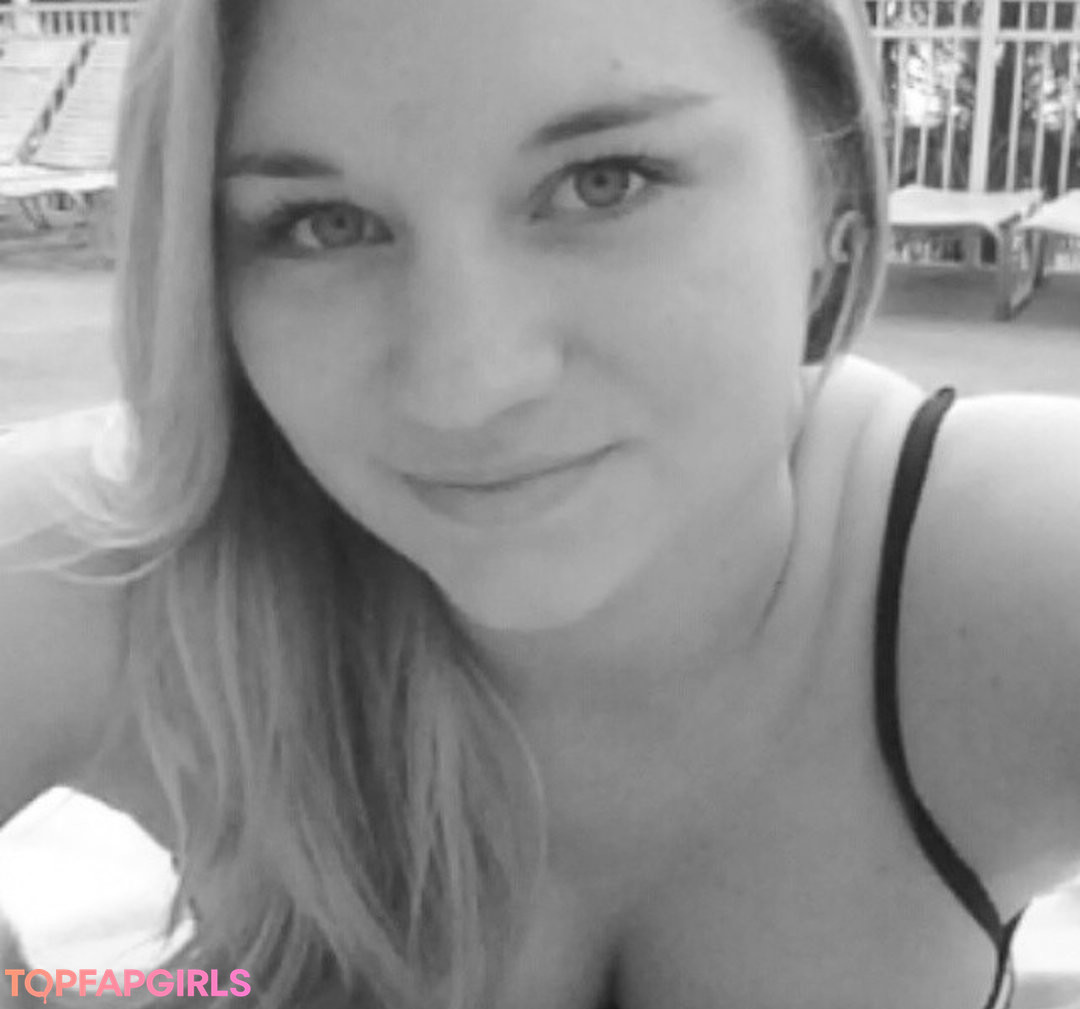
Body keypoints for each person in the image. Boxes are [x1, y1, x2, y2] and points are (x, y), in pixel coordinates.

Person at [2, 0, 1079, 1006]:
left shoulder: (1007, 570)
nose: (464, 386)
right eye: (323, 223)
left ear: (829, 197)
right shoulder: (142, 568)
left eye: (605, 182)